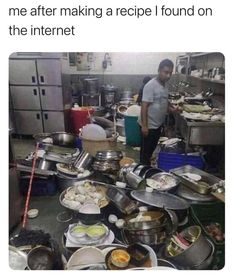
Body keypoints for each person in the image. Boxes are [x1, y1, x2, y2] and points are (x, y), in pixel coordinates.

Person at [139, 59, 181, 165]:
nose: (168, 76)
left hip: (157, 125)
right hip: (149, 126)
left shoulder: (165, 85)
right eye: (166, 72)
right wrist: (144, 126)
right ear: (159, 71)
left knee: (151, 150)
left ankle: (146, 167)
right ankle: (143, 171)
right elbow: (144, 106)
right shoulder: (150, 85)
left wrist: (172, 109)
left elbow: (163, 101)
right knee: (145, 153)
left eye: (170, 73)